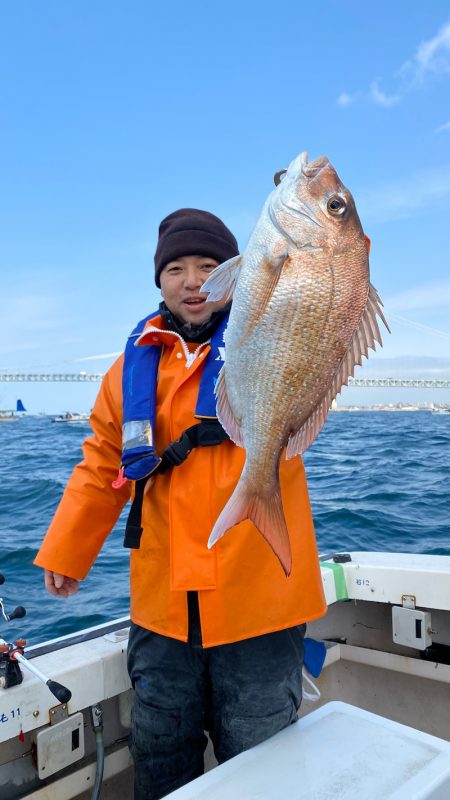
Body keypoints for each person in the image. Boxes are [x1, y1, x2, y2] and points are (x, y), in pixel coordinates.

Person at [34, 208, 327, 800]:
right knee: (161, 755)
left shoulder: (274, 333)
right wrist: (67, 549)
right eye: (176, 269)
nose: (193, 281)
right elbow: (103, 463)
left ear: (240, 273)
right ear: (159, 280)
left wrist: (311, 229)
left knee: (262, 759)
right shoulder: (129, 369)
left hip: (259, 600)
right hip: (162, 609)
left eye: (209, 266)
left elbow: (321, 299)